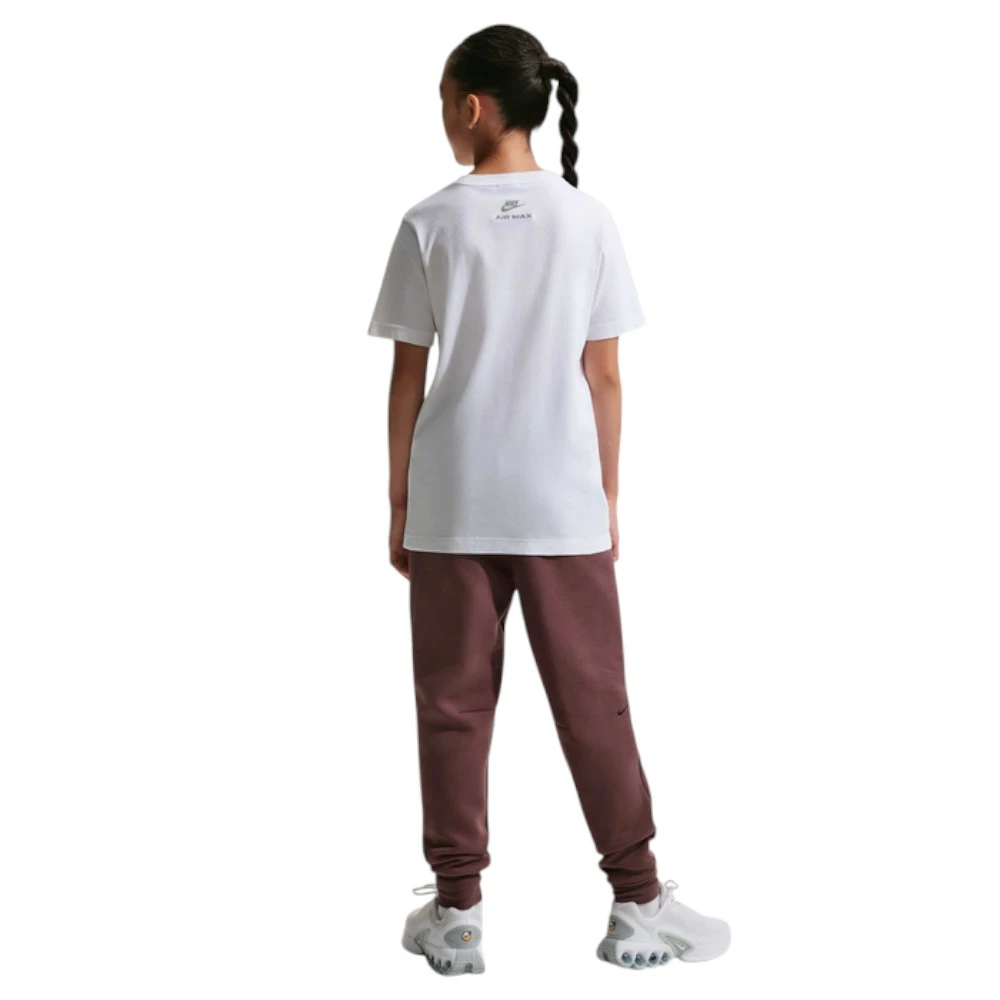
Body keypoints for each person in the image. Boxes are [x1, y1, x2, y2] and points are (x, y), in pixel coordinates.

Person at [367, 24, 730, 976]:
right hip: (560, 502)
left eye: (442, 101)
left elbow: (408, 380)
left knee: (451, 707)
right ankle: (637, 901)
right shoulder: (588, 220)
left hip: (452, 501)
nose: (442, 117)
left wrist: (399, 502)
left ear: (471, 106)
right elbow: (603, 376)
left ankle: (457, 913)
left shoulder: (428, 222)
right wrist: (605, 497)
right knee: (595, 703)